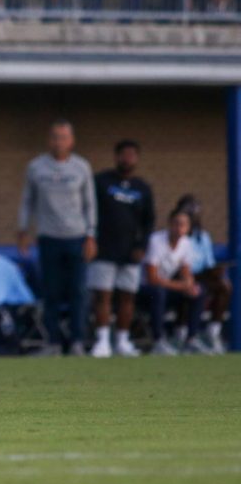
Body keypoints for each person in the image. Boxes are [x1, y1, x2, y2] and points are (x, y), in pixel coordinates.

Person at [17, 119, 97, 354]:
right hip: (48, 237)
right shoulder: (36, 167)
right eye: (54, 137)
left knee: (78, 292)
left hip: (76, 237)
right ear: (48, 140)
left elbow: (90, 204)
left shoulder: (82, 167)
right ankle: (52, 342)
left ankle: (77, 342)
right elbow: (27, 200)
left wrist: (91, 235)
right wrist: (22, 230)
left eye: (63, 137)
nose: (58, 142)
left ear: (71, 141)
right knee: (50, 292)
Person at [87, 140, 153, 358]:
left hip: (130, 252)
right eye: (123, 154)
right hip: (104, 250)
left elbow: (148, 222)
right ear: (116, 157)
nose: (127, 159)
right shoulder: (101, 182)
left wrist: (141, 246)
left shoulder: (142, 188)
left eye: (132, 155)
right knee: (102, 296)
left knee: (127, 297)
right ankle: (102, 341)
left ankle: (123, 341)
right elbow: (90, 212)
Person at [173, 195, 230, 354]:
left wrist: (217, 271)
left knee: (224, 286)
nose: (193, 215)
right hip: (177, 276)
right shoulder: (175, 235)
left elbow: (209, 264)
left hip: (201, 276)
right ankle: (182, 334)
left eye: (195, 211)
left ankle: (213, 332)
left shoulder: (202, 236)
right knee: (192, 289)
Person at [145, 207, 200, 355]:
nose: (179, 228)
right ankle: (158, 341)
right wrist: (181, 286)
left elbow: (186, 271)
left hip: (167, 288)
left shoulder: (186, 243)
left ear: (188, 228)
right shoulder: (156, 240)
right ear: (169, 224)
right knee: (158, 293)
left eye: (183, 224)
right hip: (145, 290)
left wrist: (189, 284)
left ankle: (191, 339)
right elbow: (152, 278)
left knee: (198, 292)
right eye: (176, 223)